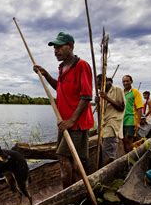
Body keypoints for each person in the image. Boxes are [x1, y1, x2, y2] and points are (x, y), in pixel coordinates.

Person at [33, 32, 94, 188]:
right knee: (72, 160)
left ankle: (68, 192)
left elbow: (86, 96)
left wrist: (72, 121)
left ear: (71, 46)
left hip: (76, 124)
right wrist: (45, 74)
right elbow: (58, 89)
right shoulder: (62, 68)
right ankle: (75, 188)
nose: (56, 51)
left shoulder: (82, 66)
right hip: (64, 122)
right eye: (54, 48)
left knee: (63, 156)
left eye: (60, 47)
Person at [96, 75, 125, 167]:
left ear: (107, 81)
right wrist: (98, 103)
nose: (99, 87)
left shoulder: (117, 90)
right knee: (104, 150)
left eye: (100, 84)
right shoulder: (101, 94)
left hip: (113, 124)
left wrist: (107, 98)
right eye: (97, 85)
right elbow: (101, 112)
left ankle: (107, 172)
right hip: (104, 124)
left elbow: (121, 107)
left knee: (108, 153)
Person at [122, 75, 143, 153]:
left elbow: (139, 108)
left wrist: (138, 122)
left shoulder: (135, 92)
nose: (125, 83)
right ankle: (127, 156)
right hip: (122, 120)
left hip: (131, 120)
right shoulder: (122, 92)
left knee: (128, 139)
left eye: (127, 81)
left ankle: (130, 159)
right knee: (123, 140)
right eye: (124, 81)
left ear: (131, 81)